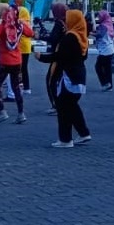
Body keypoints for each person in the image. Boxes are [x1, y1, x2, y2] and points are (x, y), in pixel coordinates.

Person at [47, 8, 92, 148]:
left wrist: (41, 57)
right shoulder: (81, 36)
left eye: (68, 19)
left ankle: (65, 139)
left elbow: (60, 57)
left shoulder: (70, 37)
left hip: (69, 77)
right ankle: (84, 133)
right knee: (72, 106)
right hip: (79, 75)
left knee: (63, 106)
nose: (65, 21)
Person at [92, 9, 114, 91]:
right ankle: (109, 85)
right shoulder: (108, 24)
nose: (98, 17)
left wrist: (91, 34)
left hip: (105, 50)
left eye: (99, 16)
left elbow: (100, 35)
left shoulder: (103, 25)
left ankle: (106, 83)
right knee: (107, 68)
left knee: (98, 67)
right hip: (109, 49)